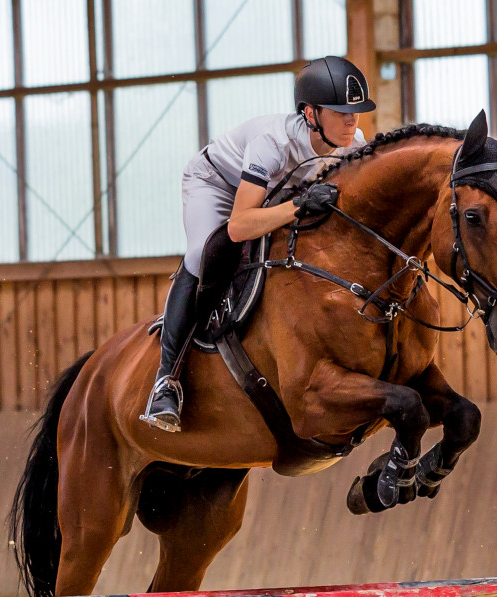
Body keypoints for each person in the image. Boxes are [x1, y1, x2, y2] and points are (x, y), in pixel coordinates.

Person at [141, 55, 376, 432]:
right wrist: (298, 206)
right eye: (340, 112)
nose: (352, 121)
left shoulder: (353, 146)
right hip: (217, 185)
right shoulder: (273, 143)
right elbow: (239, 225)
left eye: (356, 112)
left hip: (269, 196)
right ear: (311, 114)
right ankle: (166, 381)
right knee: (205, 254)